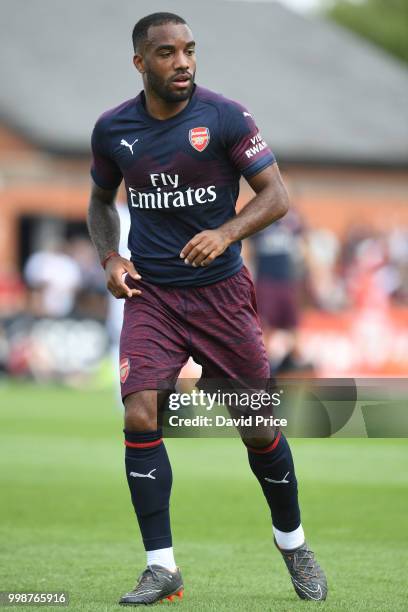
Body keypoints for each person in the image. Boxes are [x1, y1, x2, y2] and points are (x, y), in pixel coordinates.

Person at [87, 12, 327, 605]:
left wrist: (225, 232)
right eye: (167, 53)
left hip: (222, 297)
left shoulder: (224, 117)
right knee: (141, 413)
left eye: (190, 50)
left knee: (259, 428)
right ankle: (162, 568)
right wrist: (109, 258)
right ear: (141, 62)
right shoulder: (113, 129)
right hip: (154, 297)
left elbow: (276, 196)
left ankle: (293, 542)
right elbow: (98, 201)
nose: (184, 62)